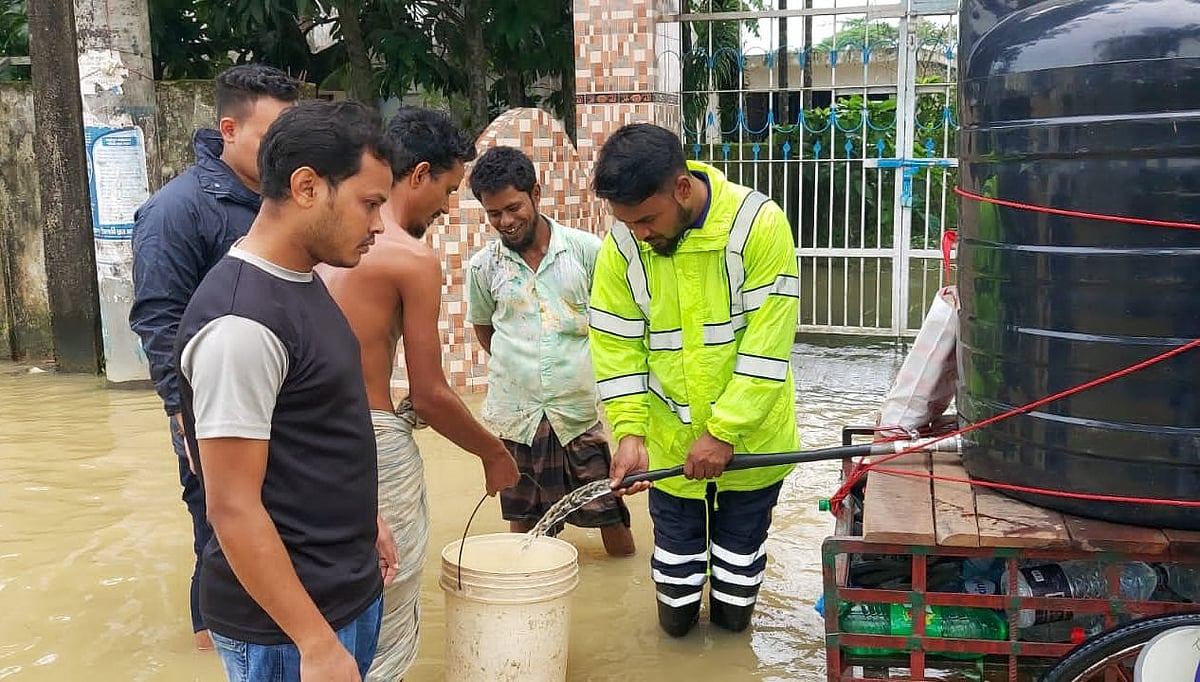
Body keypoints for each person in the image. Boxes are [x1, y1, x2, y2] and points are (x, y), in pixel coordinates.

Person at [176, 100, 398, 682]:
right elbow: (231, 504)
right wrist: (314, 642)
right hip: (284, 632)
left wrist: (364, 519)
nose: (379, 224)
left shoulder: (301, 281)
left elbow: (318, 430)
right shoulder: (239, 326)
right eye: (369, 204)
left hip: (339, 594)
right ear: (306, 187)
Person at [318, 107, 520, 682]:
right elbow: (430, 394)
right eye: (450, 189)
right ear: (421, 173)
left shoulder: (320, 246)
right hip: (374, 440)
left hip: (309, 441)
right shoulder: (409, 257)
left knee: (337, 597)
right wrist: (493, 453)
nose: (450, 206)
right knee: (387, 593)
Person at [588, 123, 800, 637]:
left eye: (646, 219)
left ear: (681, 189)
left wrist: (723, 432)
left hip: (752, 447)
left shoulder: (758, 226)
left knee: (736, 579)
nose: (639, 233)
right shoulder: (623, 247)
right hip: (668, 451)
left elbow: (767, 347)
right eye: (627, 222)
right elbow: (616, 347)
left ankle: (731, 628)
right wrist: (631, 433)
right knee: (676, 591)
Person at [129, 63, 299, 650]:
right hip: (211, 408)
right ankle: (216, 647)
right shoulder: (174, 212)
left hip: (280, 400)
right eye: (270, 137)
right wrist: (184, 413)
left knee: (278, 520)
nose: (283, 151)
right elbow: (157, 320)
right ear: (229, 128)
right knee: (218, 524)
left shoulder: (283, 199)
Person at [466, 146, 636, 556]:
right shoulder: (483, 267)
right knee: (523, 527)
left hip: (576, 413)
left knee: (610, 517)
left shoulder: (587, 252)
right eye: (493, 214)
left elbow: (616, 327)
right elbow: (485, 329)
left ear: (536, 194)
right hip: (517, 415)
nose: (505, 222)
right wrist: (522, 367)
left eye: (513, 207)